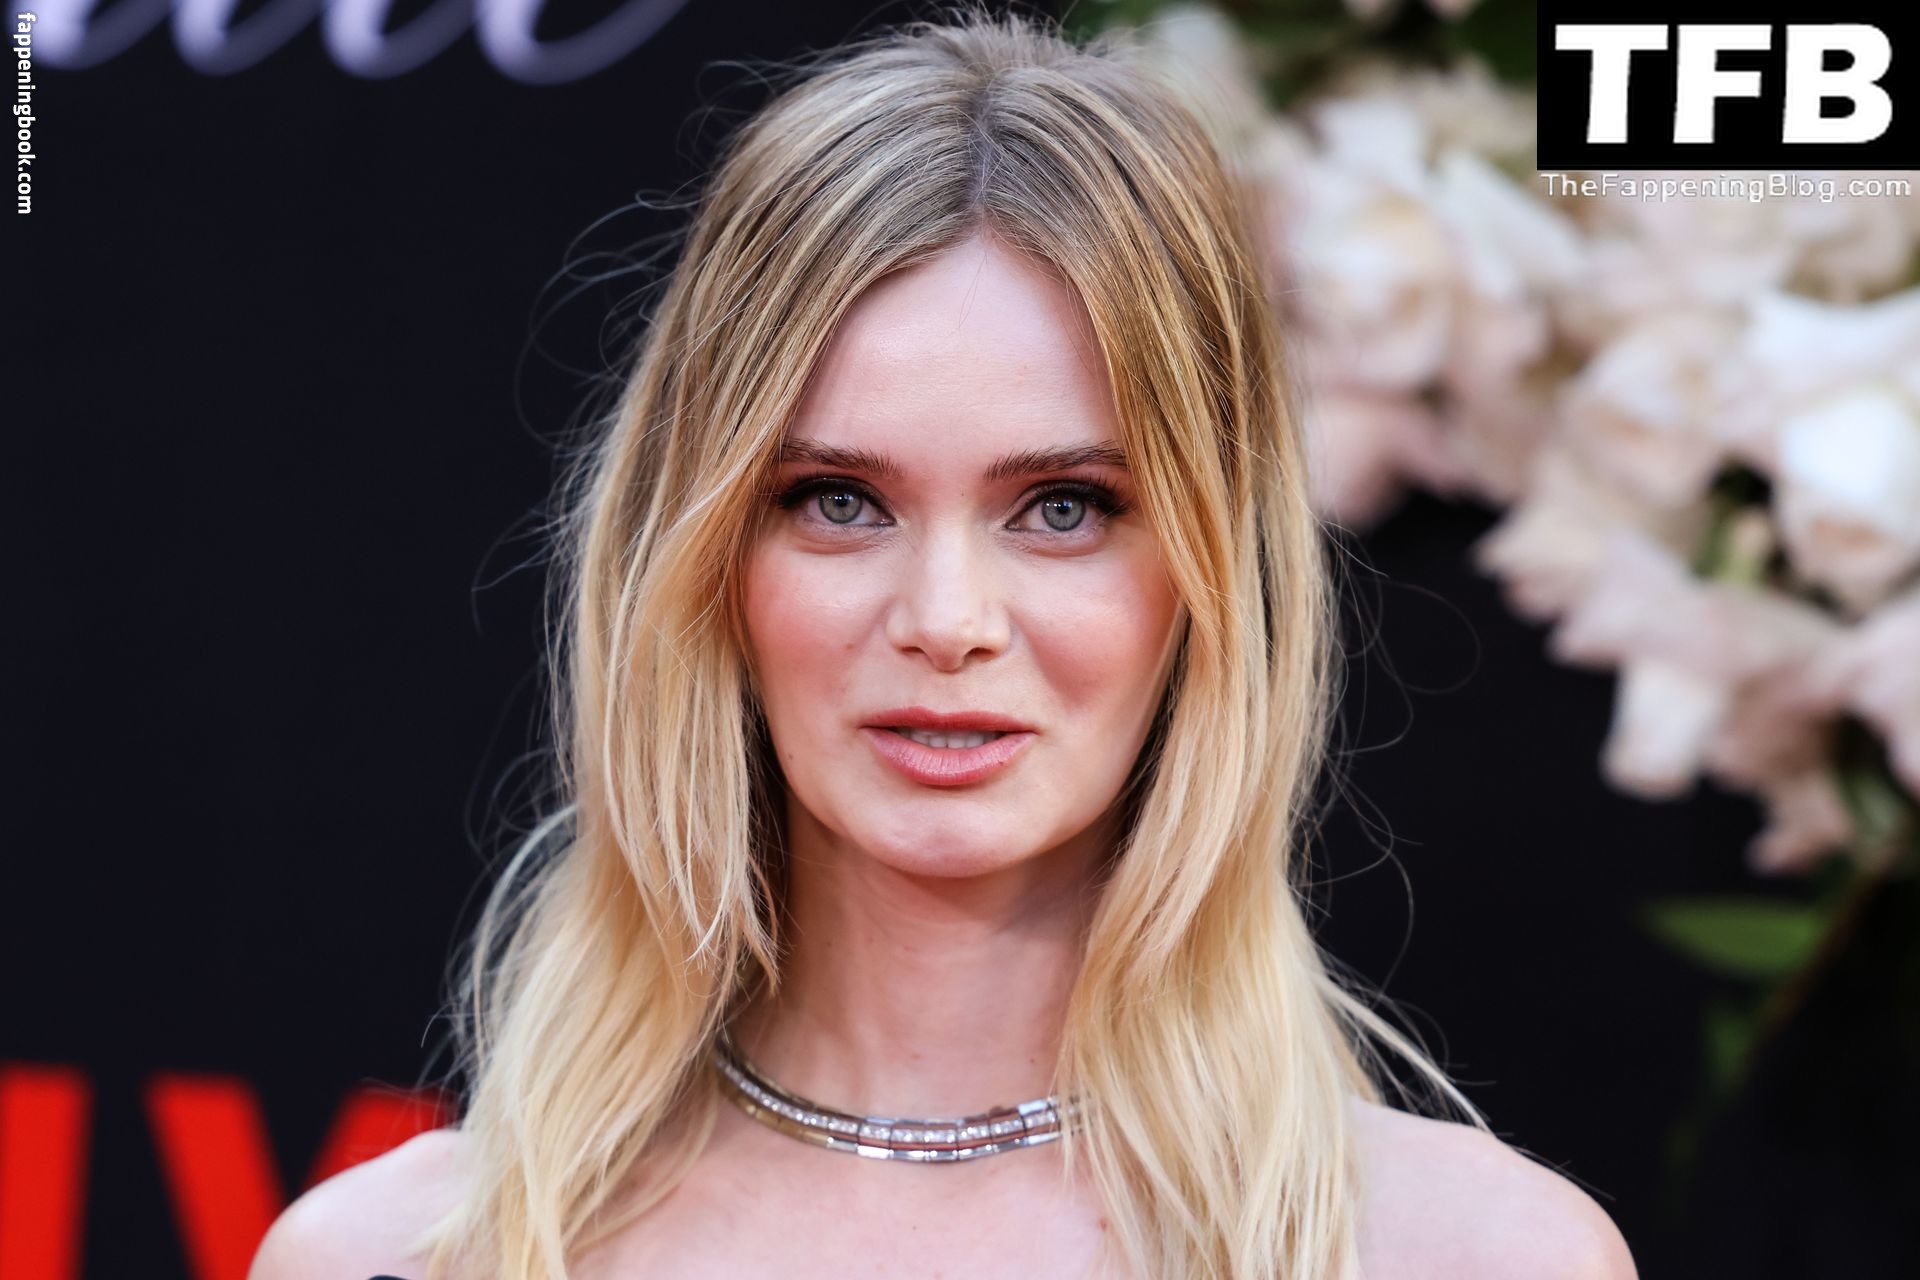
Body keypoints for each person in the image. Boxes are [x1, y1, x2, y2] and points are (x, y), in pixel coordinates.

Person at [250, 7, 1637, 1278]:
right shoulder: (405, 1255)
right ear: (705, 555)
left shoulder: (1472, 1257)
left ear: (1211, 565)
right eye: (837, 502)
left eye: (1064, 507)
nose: (947, 622)